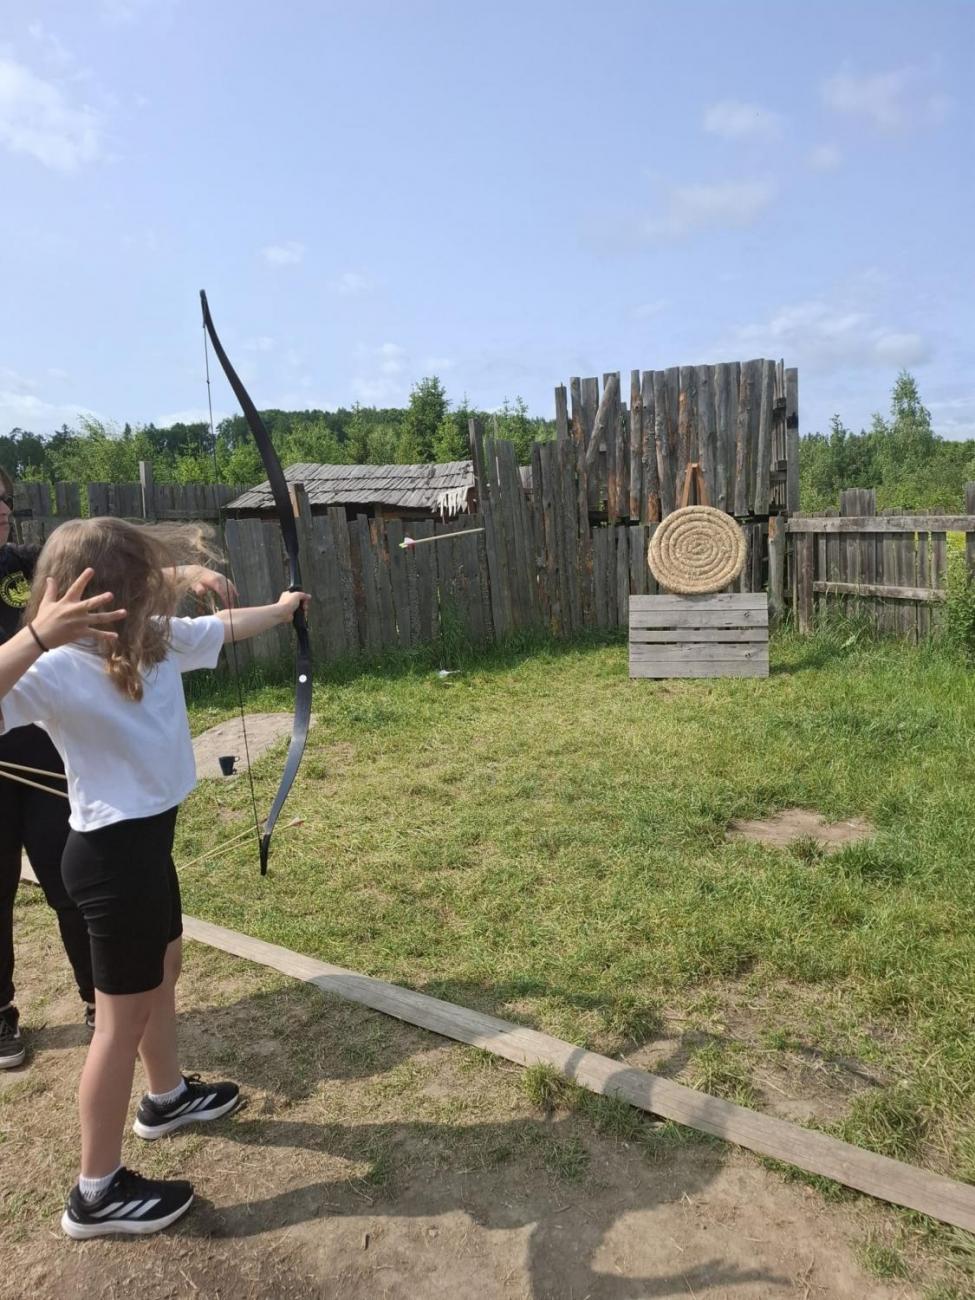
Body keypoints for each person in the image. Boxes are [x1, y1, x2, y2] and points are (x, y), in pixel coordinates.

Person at [0, 515, 309, 1238]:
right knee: (118, 1023)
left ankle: (166, 1097)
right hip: (110, 861)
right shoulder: (52, 668)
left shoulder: (154, 642)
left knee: (163, 973)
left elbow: (226, 626)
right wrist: (38, 634)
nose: (157, 594)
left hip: (146, 850)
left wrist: (286, 609)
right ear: (104, 597)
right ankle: (96, 1192)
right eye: (144, 585)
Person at [0, 467, 237, 1068]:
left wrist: (193, 574)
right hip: (30, 762)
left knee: (91, 914)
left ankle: (114, 1018)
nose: (0, 509)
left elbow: (116, 577)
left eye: (3, 498)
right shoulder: (49, 662)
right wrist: (36, 635)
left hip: (63, 769)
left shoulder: (30, 565)